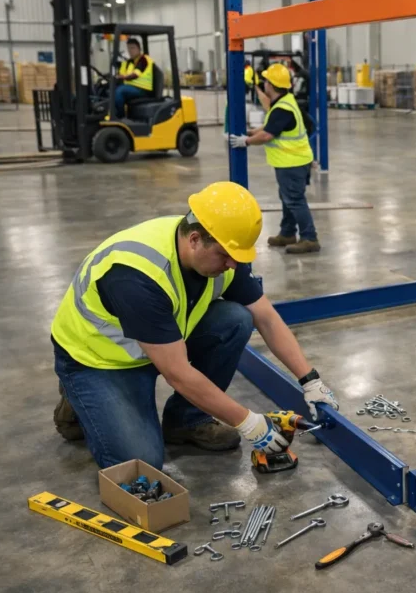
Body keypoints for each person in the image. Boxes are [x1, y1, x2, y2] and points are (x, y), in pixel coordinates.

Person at [50, 181, 339, 470]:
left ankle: (186, 422)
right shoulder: (137, 276)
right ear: (195, 239)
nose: (232, 265)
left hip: (158, 341)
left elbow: (266, 318)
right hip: (99, 360)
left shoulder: (222, 251)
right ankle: (79, 399)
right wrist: (249, 422)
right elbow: (177, 373)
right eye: (225, 256)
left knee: (237, 320)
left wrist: (310, 379)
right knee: (142, 463)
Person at [229, 64, 321, 254]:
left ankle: (309, 238)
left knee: (294, 200)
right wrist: (250, 132)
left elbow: (267, 135)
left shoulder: (283, 109)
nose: (264, 84)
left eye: (266, 81)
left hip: (292, 162)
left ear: (272, 84)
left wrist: (245, 141)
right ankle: (287, 233)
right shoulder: (283, 102)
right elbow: (269, 126)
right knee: (287, 198)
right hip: (291, 161)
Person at [114, 38, 154, 117]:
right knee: (108, 89)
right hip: (132, 88)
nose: (130, 50)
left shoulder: (143, 59)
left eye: (133, 48)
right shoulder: (130, 62)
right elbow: (121, 73)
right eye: (129, 48)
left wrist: (123, 77)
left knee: (119, 91)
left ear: (139, 48)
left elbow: (135, 74)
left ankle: (120, 117)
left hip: (143, 90)